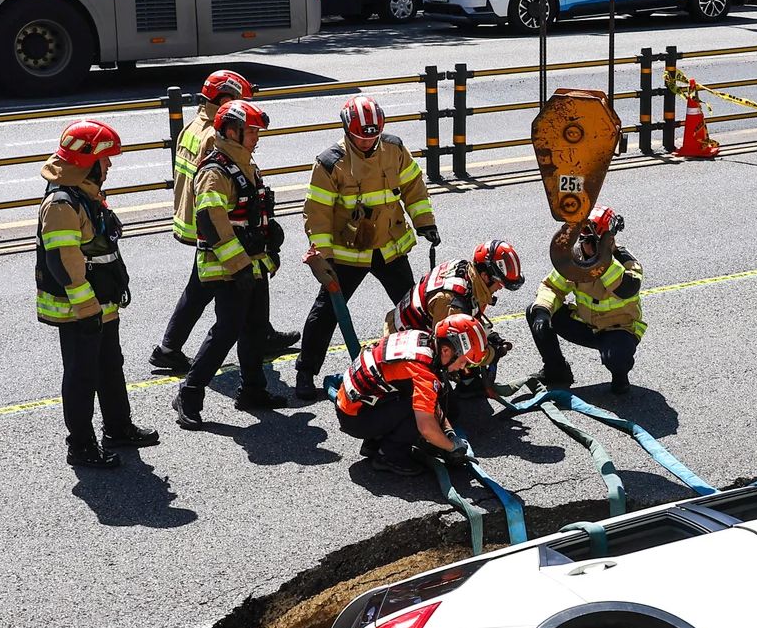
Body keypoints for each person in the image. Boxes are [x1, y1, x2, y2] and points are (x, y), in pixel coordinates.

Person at [150, 70, 296, 373]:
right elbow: (220, 191)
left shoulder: (191, 126)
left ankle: (171, 347)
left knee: (201, 288)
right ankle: (175, 351)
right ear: (226, 100)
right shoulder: (213, 138)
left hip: (189, 218)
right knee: (216, 289)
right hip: (213, 226)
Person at [294, 95, 437, 401]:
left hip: (389, 247)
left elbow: (414, 187)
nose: (367, 142)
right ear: (347, 131)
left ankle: (422, 364)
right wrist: (324, 258)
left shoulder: (394, 148)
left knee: (411, 311)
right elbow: (316, 214)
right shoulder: (330, 162)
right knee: (326, 312)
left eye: (372, 135)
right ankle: (305, 372)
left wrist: (425, 222)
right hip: (349, 254)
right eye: (361, 137)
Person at [35, 119, 160, 468]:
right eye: (105, 159)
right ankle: (81, 446)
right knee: (81, 375)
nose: (110, 165)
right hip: (80, 308)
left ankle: (118, 428)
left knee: (109, 366)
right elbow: (63, 261)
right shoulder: (62, 203)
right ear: (85, 162)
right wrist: (87, 307)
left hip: (99, 303)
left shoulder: (84, 194)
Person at [173, 99, 289, 429]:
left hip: (250, 265)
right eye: (251, 131)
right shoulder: (216, 171)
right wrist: (238, 265)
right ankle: (189, 394)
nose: (256, 137)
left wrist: (268, 234)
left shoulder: (244, 164)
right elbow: (211, 222)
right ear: (232, 132)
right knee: (226, 331)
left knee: (254, 328)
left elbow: (247, 213)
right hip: (228, 268)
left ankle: (253, 389)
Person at [334, 314, 489, 476]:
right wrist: (451, 447)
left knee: (434, 398)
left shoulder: (422, 338)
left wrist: (449, 433)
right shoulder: (422, 373)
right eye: (463, 361)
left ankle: (375, 441)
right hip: (356, 418)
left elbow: (433, 401)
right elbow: (426, 427)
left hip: (355, 405)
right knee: (418, 412)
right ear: (446, 350)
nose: (462, 367)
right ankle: (388, 455)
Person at [527, 206, 644, 394]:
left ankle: (620, 376)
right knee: (535, 310)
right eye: (583, 240)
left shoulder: (625, 261)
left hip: (618, 331)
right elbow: (552, 287)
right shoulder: (575, 259)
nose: (587, 247)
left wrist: (603, 262)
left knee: (617, 356)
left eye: (593, 241)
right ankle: (556, 370)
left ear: (608, 240)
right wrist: (542, 313)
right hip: (587, 326)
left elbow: (626, 289)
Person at [384, 240, 524, 398]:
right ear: (485, 276)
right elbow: (450, 349)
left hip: (419, 326)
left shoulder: (467, 271)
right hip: (405, 349)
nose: (500, 288)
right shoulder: (452, 303)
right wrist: (492, 353)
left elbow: (467, 316)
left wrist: (485, 336)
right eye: (500, 284)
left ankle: (468, 380)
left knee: (473, 346)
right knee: (448, 410)